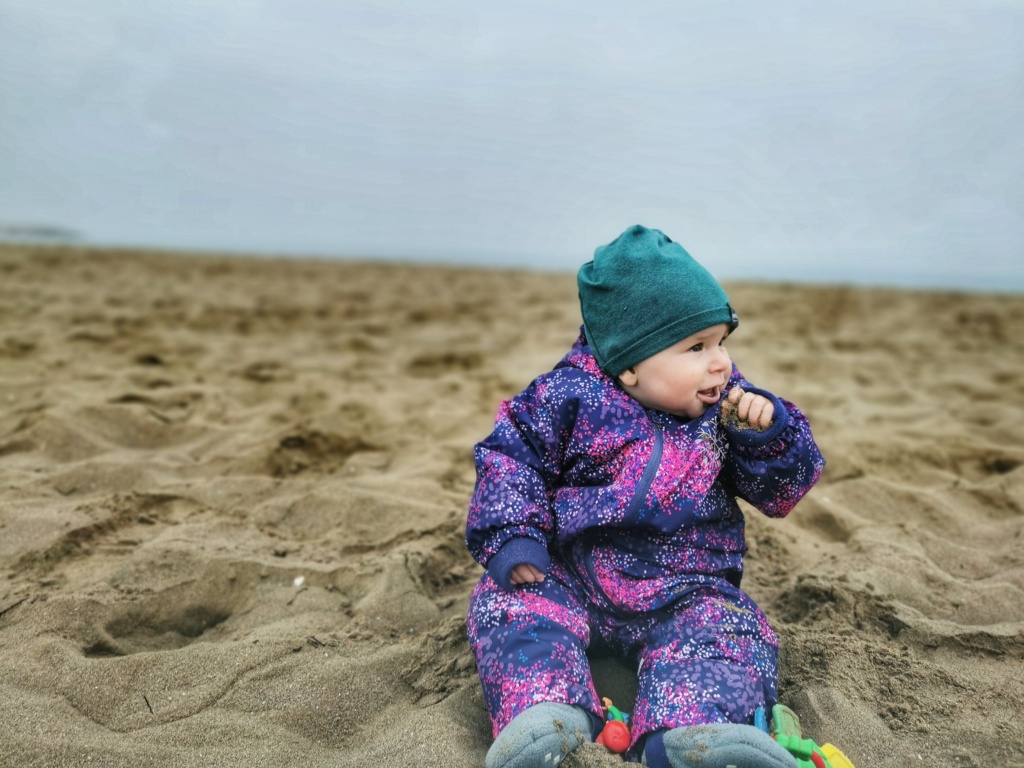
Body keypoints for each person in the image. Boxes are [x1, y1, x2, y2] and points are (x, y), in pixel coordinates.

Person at [465, 225, 825, 768]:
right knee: (509, 608)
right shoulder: (568, 396)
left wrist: (768, 437)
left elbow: (781, 491)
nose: (720, 362)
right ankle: (547, 717)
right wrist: (515, 537)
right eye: (696, 347)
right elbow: (511, 458)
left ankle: (693, 737)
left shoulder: (727, 405)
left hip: (685, 585)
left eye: (722, 341)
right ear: (629, 364)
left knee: (728, 632)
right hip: (572, 572)